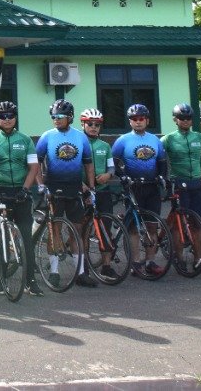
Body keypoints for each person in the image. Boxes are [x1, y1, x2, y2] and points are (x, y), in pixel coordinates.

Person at [0, 101, 43, 296]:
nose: (7, 119)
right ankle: (0, 280)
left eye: (10, 116)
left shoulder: (25, 140)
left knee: (26, 238)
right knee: (2, 237)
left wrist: (26, 188)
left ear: (15, 117)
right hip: (1, 191)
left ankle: (30, 282)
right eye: (3, 116)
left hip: (21, 193)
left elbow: (34, 167)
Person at [35, 99, 96, 287]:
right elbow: (36, 162)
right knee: (55, 230)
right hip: (54, 187)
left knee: (76, 230)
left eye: (60, 116)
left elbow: (88, 163)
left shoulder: (81, 137)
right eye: (53, 116)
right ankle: (54, 271)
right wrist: (40, 185)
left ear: (69, 117)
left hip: (74, 187)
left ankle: (81, 273)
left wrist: (91, 188)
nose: (56, 119)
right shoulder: (47, 136)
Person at [110, 103, 169, 278]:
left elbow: (162, 162)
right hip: (133, 187)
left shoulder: (155, 140)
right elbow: (113, 161)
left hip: (151, 186)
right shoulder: (123, 140)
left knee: (152, 226)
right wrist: (123, 176)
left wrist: (162, 177)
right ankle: (135, 262)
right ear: (130, 122)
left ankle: (150, 261)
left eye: (141, 119)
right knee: (134, 228)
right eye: (134, 119)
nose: (138, 122)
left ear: (147, 120)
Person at [160, 103, 201, 271]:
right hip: (178, 183)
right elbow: (159, 159)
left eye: (189, 118)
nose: (186, 121)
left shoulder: (200, 137)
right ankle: (179, 258)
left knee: (196, 222)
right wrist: (165, 179)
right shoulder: (168, 139)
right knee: (179, 224)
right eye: (182, 118)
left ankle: (198, 258)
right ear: (175, 119)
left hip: (196, 183)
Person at [80, 107, 122, 279]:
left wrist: (108, 174)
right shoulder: (78, 143)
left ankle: (106, 265)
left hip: (103, 191)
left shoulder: (105, 145)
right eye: (90, 124)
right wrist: (80, 184)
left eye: (97, 124)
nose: (94, 127)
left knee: (104, 229)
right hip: (83, 191)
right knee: (83, 230)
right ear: (82, 124)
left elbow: (112, 166)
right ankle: (83, 266)